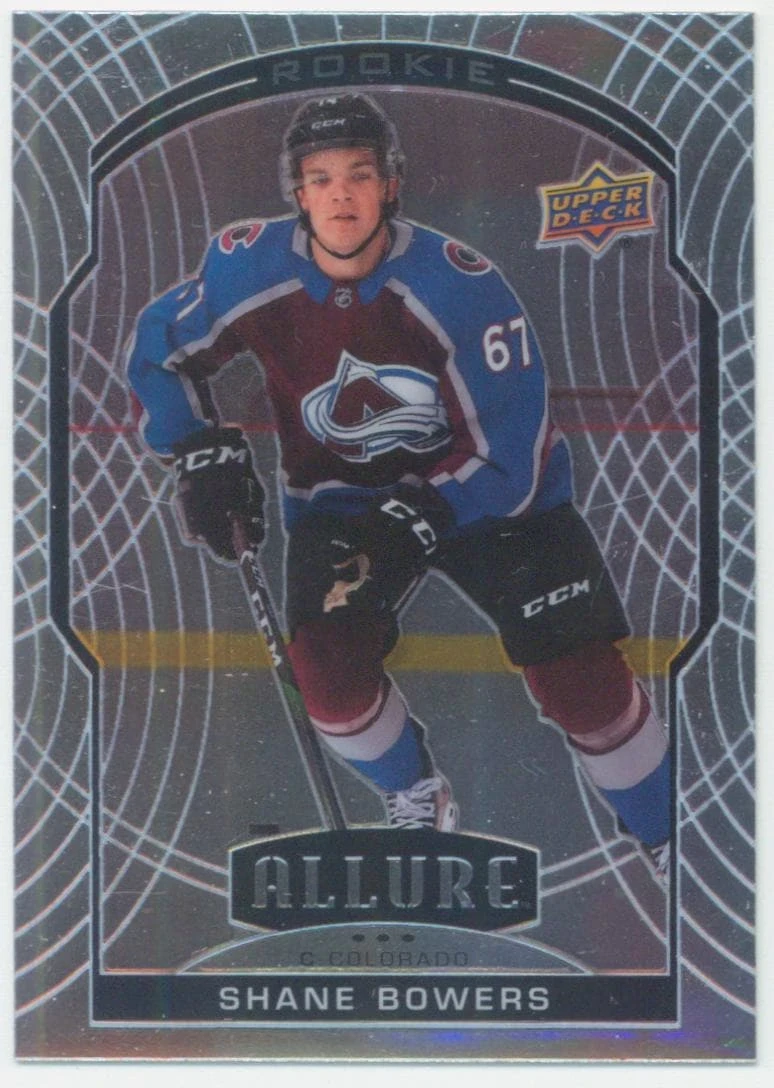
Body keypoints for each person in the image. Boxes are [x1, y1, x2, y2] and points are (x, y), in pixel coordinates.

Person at [127, 93, 671, 882]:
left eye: (359, 174)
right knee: (326, 677)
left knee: (584, 682)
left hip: (493, 502)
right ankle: (415, 791)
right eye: (320, 179)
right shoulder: (246, 267)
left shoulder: (460, 285)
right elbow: (157, 348)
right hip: (342, 501)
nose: (341, 196)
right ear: (298, 192)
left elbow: (513, 449)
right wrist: (195, 447)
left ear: (390, 185)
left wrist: (429, 508)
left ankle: (666, 835)